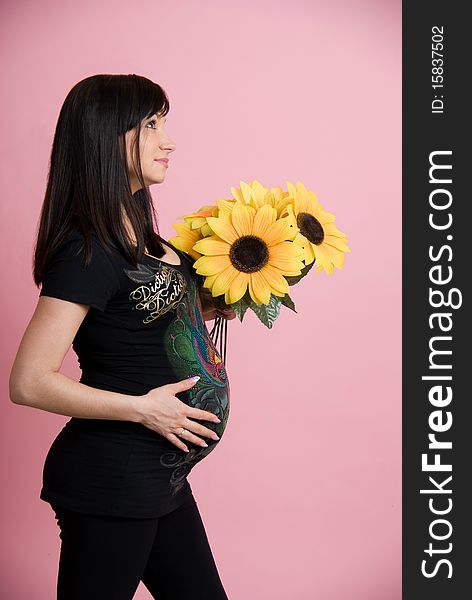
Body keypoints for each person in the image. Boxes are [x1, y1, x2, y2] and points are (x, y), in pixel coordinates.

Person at [9, 73, 236, 600]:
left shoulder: (137, 232)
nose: (169, 140)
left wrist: (247, 280)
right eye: (151, 125)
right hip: (113, 476)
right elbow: (29, 381)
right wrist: (144, 409)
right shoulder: (86, 251)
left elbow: (141, 317)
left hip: (161, 477)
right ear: (106, 137)